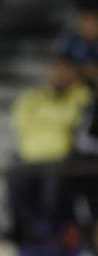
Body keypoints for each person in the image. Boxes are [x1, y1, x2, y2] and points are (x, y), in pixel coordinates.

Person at [9, 59, 91, 242]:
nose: (59, 78)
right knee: (16, 189)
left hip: (60, 160)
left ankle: (51, 235)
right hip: (28, 157)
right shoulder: (31, 97)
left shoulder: (79, 95)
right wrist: (56, 119)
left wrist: (45, 118)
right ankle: (26, 234)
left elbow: (74, 119)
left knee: (52, 196)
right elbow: (20, 122)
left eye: (64, 74)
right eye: (56, 73)